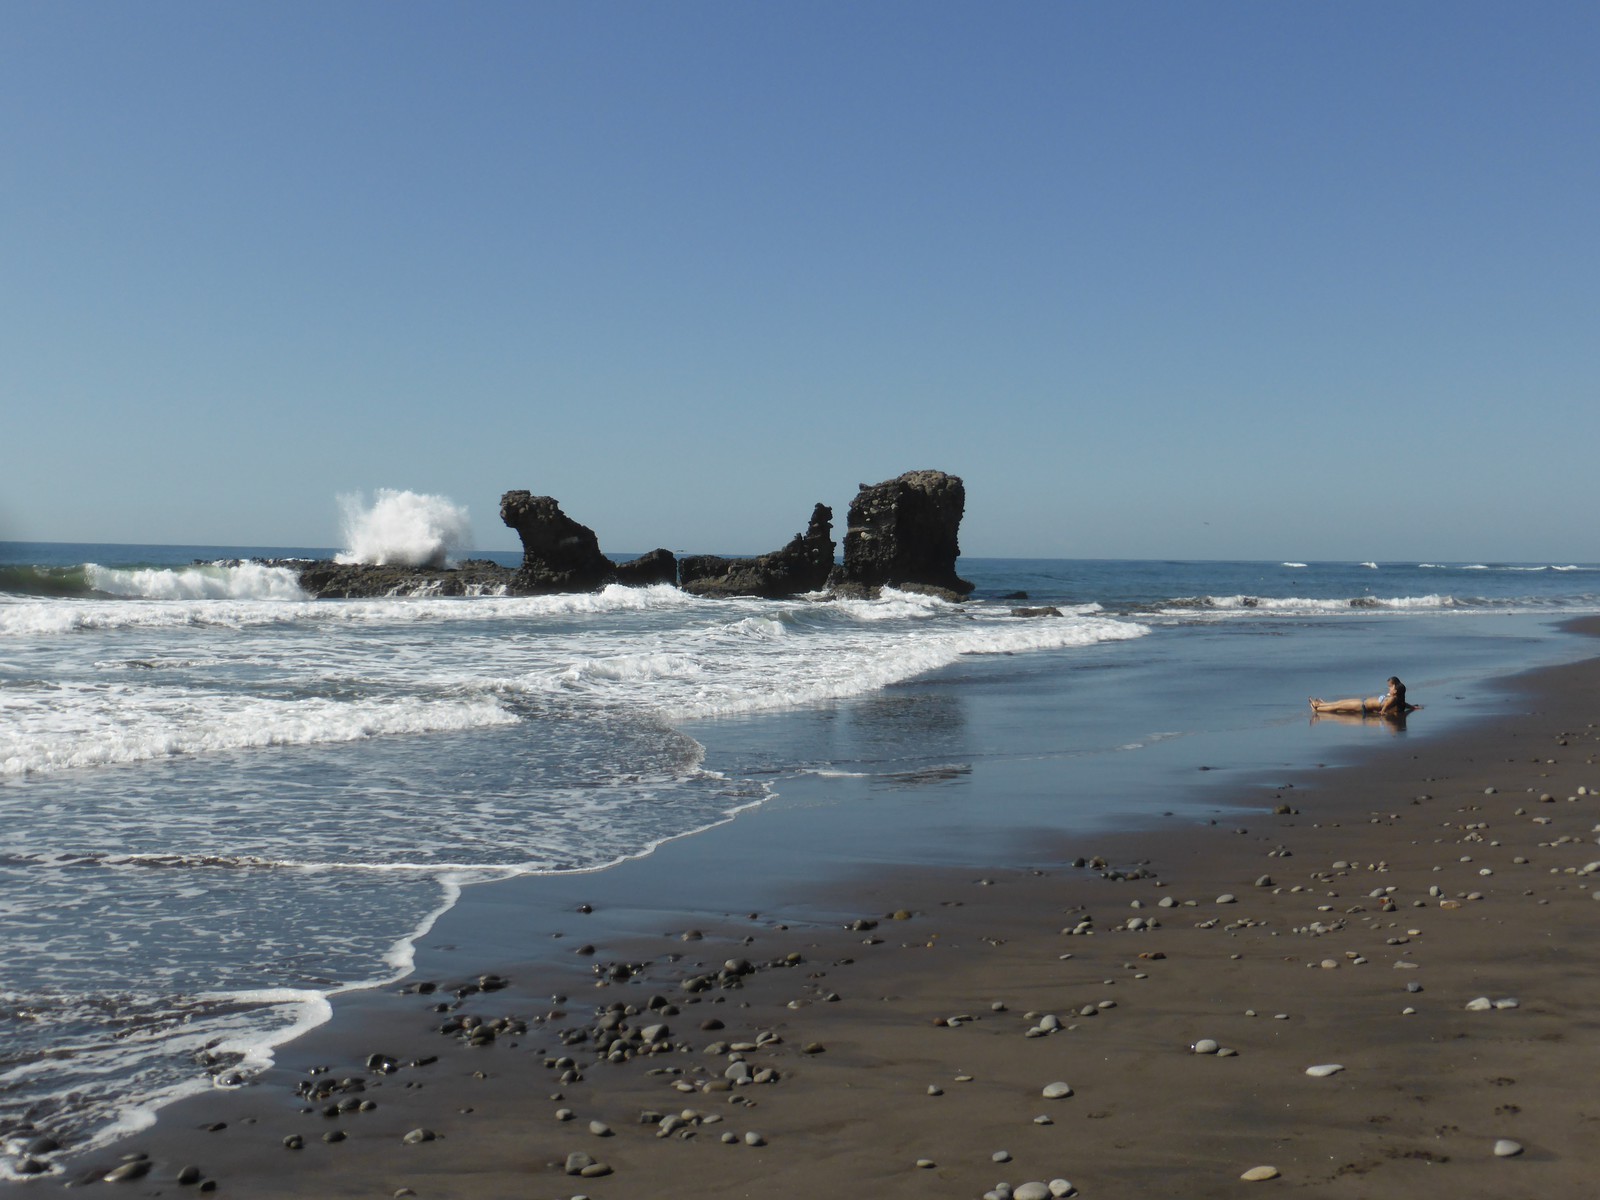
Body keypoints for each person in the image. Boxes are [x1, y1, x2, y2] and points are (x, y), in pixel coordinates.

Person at [1309, 676, 1420, 717]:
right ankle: (1321, 704)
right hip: (1362, 701)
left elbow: (1385, 707)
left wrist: (1382, 712)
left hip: (1362, 706)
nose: (1388, 689)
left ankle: (1318, 709)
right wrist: (1413, 707)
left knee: (1338, 707)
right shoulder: (1397, 700)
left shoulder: (1392, 699)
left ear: (1395, 691)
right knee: (1340, 702)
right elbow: (1404, 704)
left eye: (1390, 687)